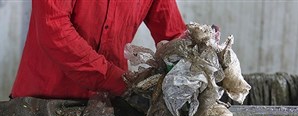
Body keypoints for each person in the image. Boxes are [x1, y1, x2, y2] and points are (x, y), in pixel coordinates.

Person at [10, 0, 186, 100]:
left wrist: (193, 75)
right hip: (43, 103)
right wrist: (114, 79)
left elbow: (174, 36)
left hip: (108, 106)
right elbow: (54, 31)